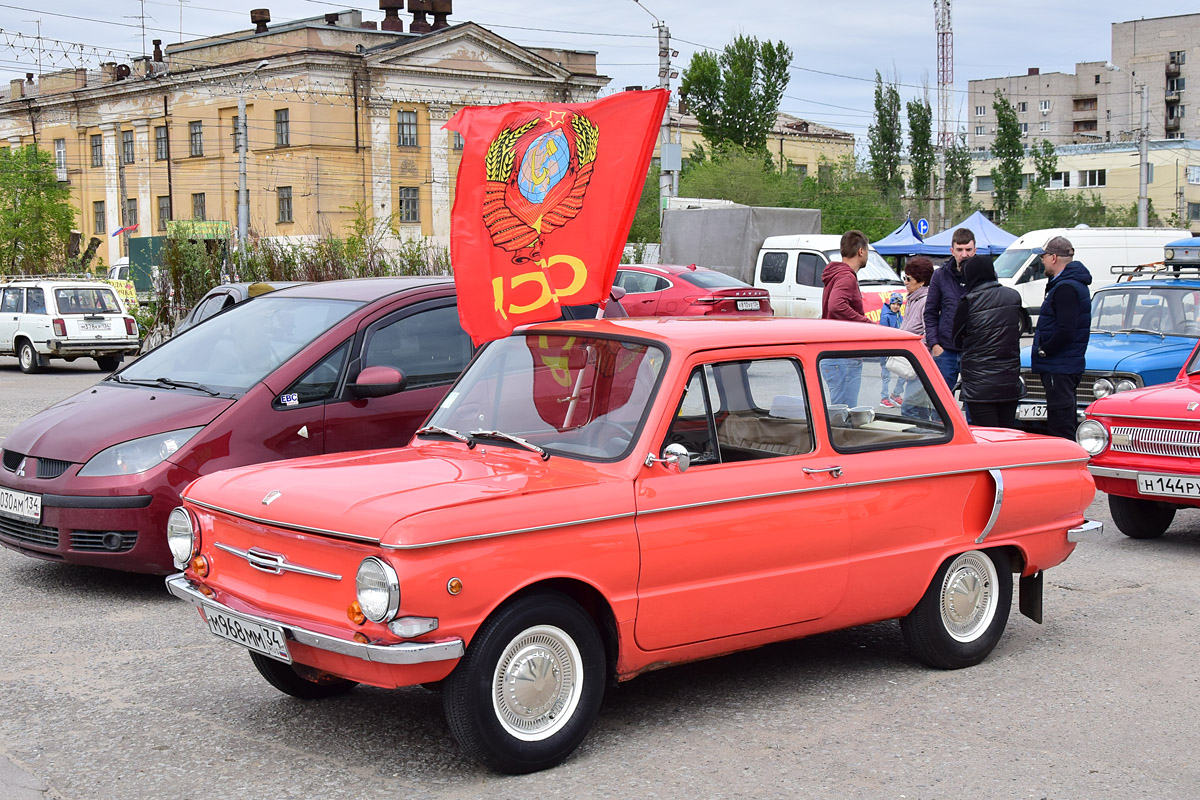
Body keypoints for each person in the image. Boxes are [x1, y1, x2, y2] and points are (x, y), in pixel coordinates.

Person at [952, 254, 1026, 428]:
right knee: (1007, 432)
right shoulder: (1013, 297)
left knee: (987, 434)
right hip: (1009, 380)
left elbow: (955, 339)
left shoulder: (968, 302)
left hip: (980, 384)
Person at [1031, 235, 1092, 439]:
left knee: (1061, 423)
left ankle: (1067, 464)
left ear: (1054, 257)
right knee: (1063, 416)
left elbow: (1067, 329)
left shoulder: (1066, 287)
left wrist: (1045, 349)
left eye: (1044, 256)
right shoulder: (1066, 284)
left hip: (1060, 366)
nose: (1042, 260)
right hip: (1063, 364)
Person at [820, 230, 871, 406]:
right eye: (868, 251)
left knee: (839, 409)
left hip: (833, 353)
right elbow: (836, 305)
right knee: (845, 412)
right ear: (861, 251)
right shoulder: (846, 276)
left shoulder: (836, 274)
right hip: (843, 354)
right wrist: (866, 324)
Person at [924, 228, 975, 398]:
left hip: (974, 350)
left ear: (975, 250)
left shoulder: (985, 275)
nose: (964, 254)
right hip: (946, 351)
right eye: (960, 250)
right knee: (942, 402)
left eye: (968, 249)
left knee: (974, 403)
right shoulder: (940, 275)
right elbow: (930, 312)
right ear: (952, 251)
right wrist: (934, 345)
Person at [898, 257, 934, 420]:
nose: (905, 282)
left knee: (909, 408)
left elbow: (929, 333)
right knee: (919, 409)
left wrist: (915, 350)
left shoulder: (925, 301)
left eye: (908, 278)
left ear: (921, 282)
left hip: (920, 363)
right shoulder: (913, 299)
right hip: (912, 363)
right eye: (904, 277)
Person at [878, 292, 904, 406]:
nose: (896, 306)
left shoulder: (899, 315)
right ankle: (884, 398)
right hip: (887, 350)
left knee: (903, 373)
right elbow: (883, 334)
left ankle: (896, 394)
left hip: (898, 349)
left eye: (899, 304)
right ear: (890, 303)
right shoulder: (885, 316)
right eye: (894, 303)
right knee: (886, 376)